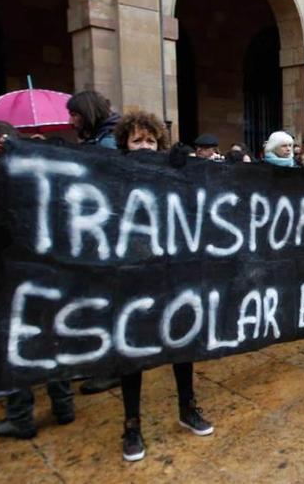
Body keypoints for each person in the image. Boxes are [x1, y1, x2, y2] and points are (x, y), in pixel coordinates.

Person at [0, 122, 76, 438]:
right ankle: (63, 406)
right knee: (50, 338)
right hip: (40, 271)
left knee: (11, 347)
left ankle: (21, 418)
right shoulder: (39, 173)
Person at [113, 111, 213, 462]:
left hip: (171, 274)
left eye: (151, 141)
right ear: (124, 144)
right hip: (131, 278)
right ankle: (132, 425)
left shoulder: (172, 175)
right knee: (133, 353)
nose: (144, 146)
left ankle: (188, 408)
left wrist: (186, 170)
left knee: (181, 342)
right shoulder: (111, 177)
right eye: (137, 140)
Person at [68, 90, 123, 396]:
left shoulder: (109, 140)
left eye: (74, 114)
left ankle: (109, 367)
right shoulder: (97, 138)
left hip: (110, 236)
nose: (70, 120)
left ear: (87, 113)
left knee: (107, 304)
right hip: (94, 234)